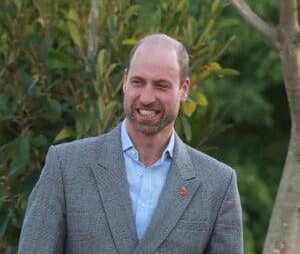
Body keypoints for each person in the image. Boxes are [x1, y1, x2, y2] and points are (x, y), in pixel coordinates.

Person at [18, 34, 243, 253]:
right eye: (138, 82)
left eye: (161, 85)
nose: (146, 97)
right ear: (125, 81)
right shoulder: (65, 166)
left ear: (184, 89)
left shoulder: (218, 184)